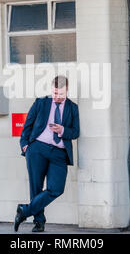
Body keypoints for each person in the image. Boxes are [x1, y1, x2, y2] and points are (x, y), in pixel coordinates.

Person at [14, 75, 80, 232]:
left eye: (61, 94)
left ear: (67, 91)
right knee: (35, 186)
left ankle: (24, 211)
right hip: (37, 149)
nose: (57, 97)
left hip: (59, 152)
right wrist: (25, 146)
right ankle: (39, 222)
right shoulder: (41, 103)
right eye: (55, 93)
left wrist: (63, 130)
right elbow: (27, 125)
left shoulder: (72, 108)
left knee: (56, 188)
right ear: (52, 89)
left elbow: (76, 132)